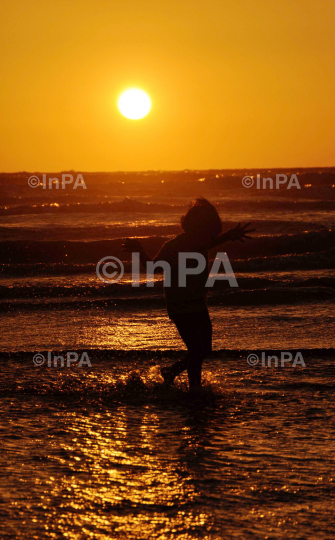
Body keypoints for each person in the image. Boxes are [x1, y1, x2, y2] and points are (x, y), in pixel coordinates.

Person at [122, 198, 254, 391]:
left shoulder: (202, 242)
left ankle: (173, 373)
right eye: (207, 226)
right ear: (196, 226)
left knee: (204, 350)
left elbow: (213, 241)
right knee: (196, 350)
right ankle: (194, 389)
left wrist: (230, 235)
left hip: (198, 303)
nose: (209, 233)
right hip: (180, 305)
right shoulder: (175, 245)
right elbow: (152, 268)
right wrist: (140, 251)